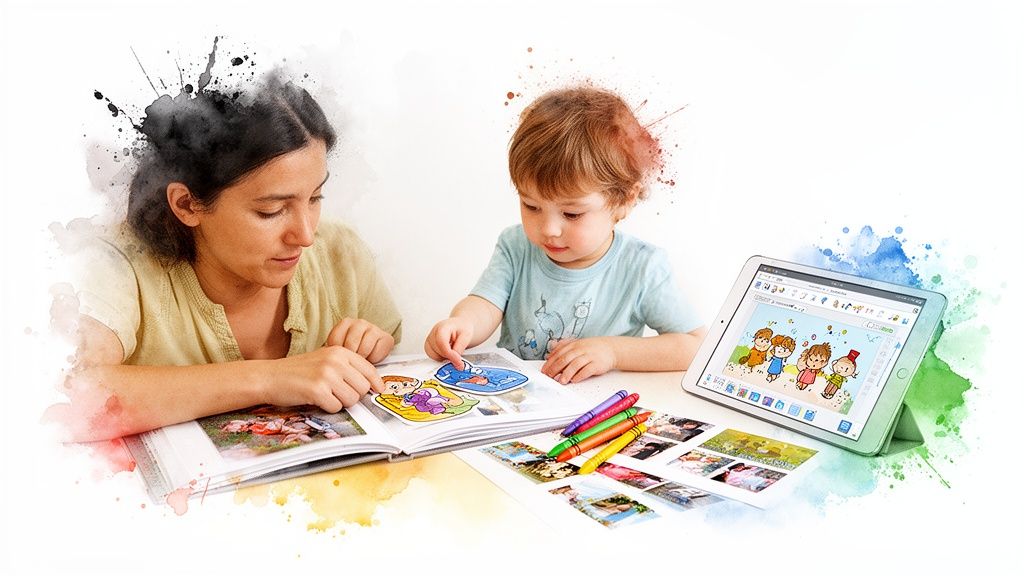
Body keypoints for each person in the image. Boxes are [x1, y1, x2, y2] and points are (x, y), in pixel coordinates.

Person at [53, 76, 402, 442]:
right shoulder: (113, 264)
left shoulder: (340, 255)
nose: (306, 235)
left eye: (315, 198)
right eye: (271, 210)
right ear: (187, 204)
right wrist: (269, 378)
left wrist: (370, 349)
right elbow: (70, 397)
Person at [424, 86, 706, 384]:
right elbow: (485, 304)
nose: (549, 229)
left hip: (598, 412)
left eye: (572, 214)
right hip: (519, 400)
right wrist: (461, 323)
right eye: (531, 206)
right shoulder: (516, 246)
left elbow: (694, 345)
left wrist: (611, 352)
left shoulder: (642, 267)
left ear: (623, 201)